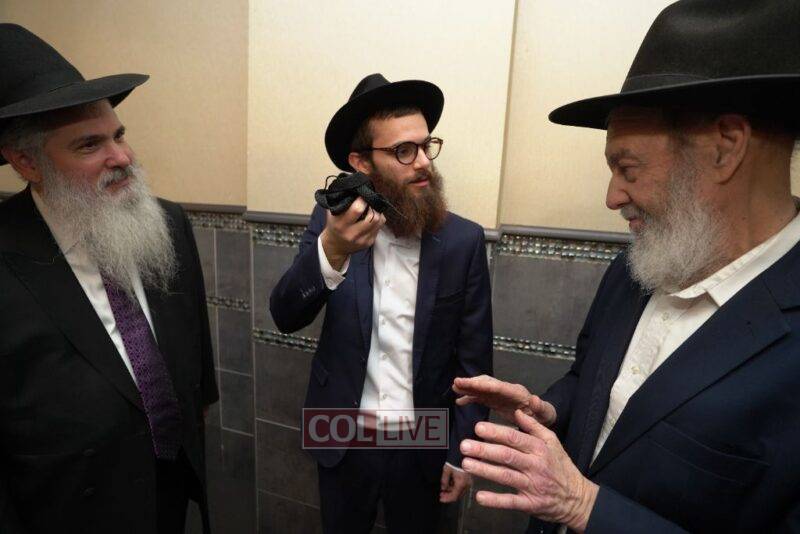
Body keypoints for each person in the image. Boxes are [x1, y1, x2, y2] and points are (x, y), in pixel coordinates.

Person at [452, 1, 800, 532]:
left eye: (627, 168)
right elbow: (591, 383)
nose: (613, 196)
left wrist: (583, 506)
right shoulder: (636, 267)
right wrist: (549, 410)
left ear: (726, 147)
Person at [0, 24, 217, 534]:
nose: (122, 157)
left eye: (118, 135)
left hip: (169, 487)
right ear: (27, 162)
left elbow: (194, 358)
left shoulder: (167, 221)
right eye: (88, 145)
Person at [270, 73, 493, 533]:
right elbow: (286, 314)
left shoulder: (463, 241)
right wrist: (332, 250)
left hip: (424, 439)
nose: (423, 163)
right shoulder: (333, 223)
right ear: (362, 163)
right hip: (340, 430)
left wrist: (461, 451)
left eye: (426, 146)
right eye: (403, 151)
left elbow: (474, 360)